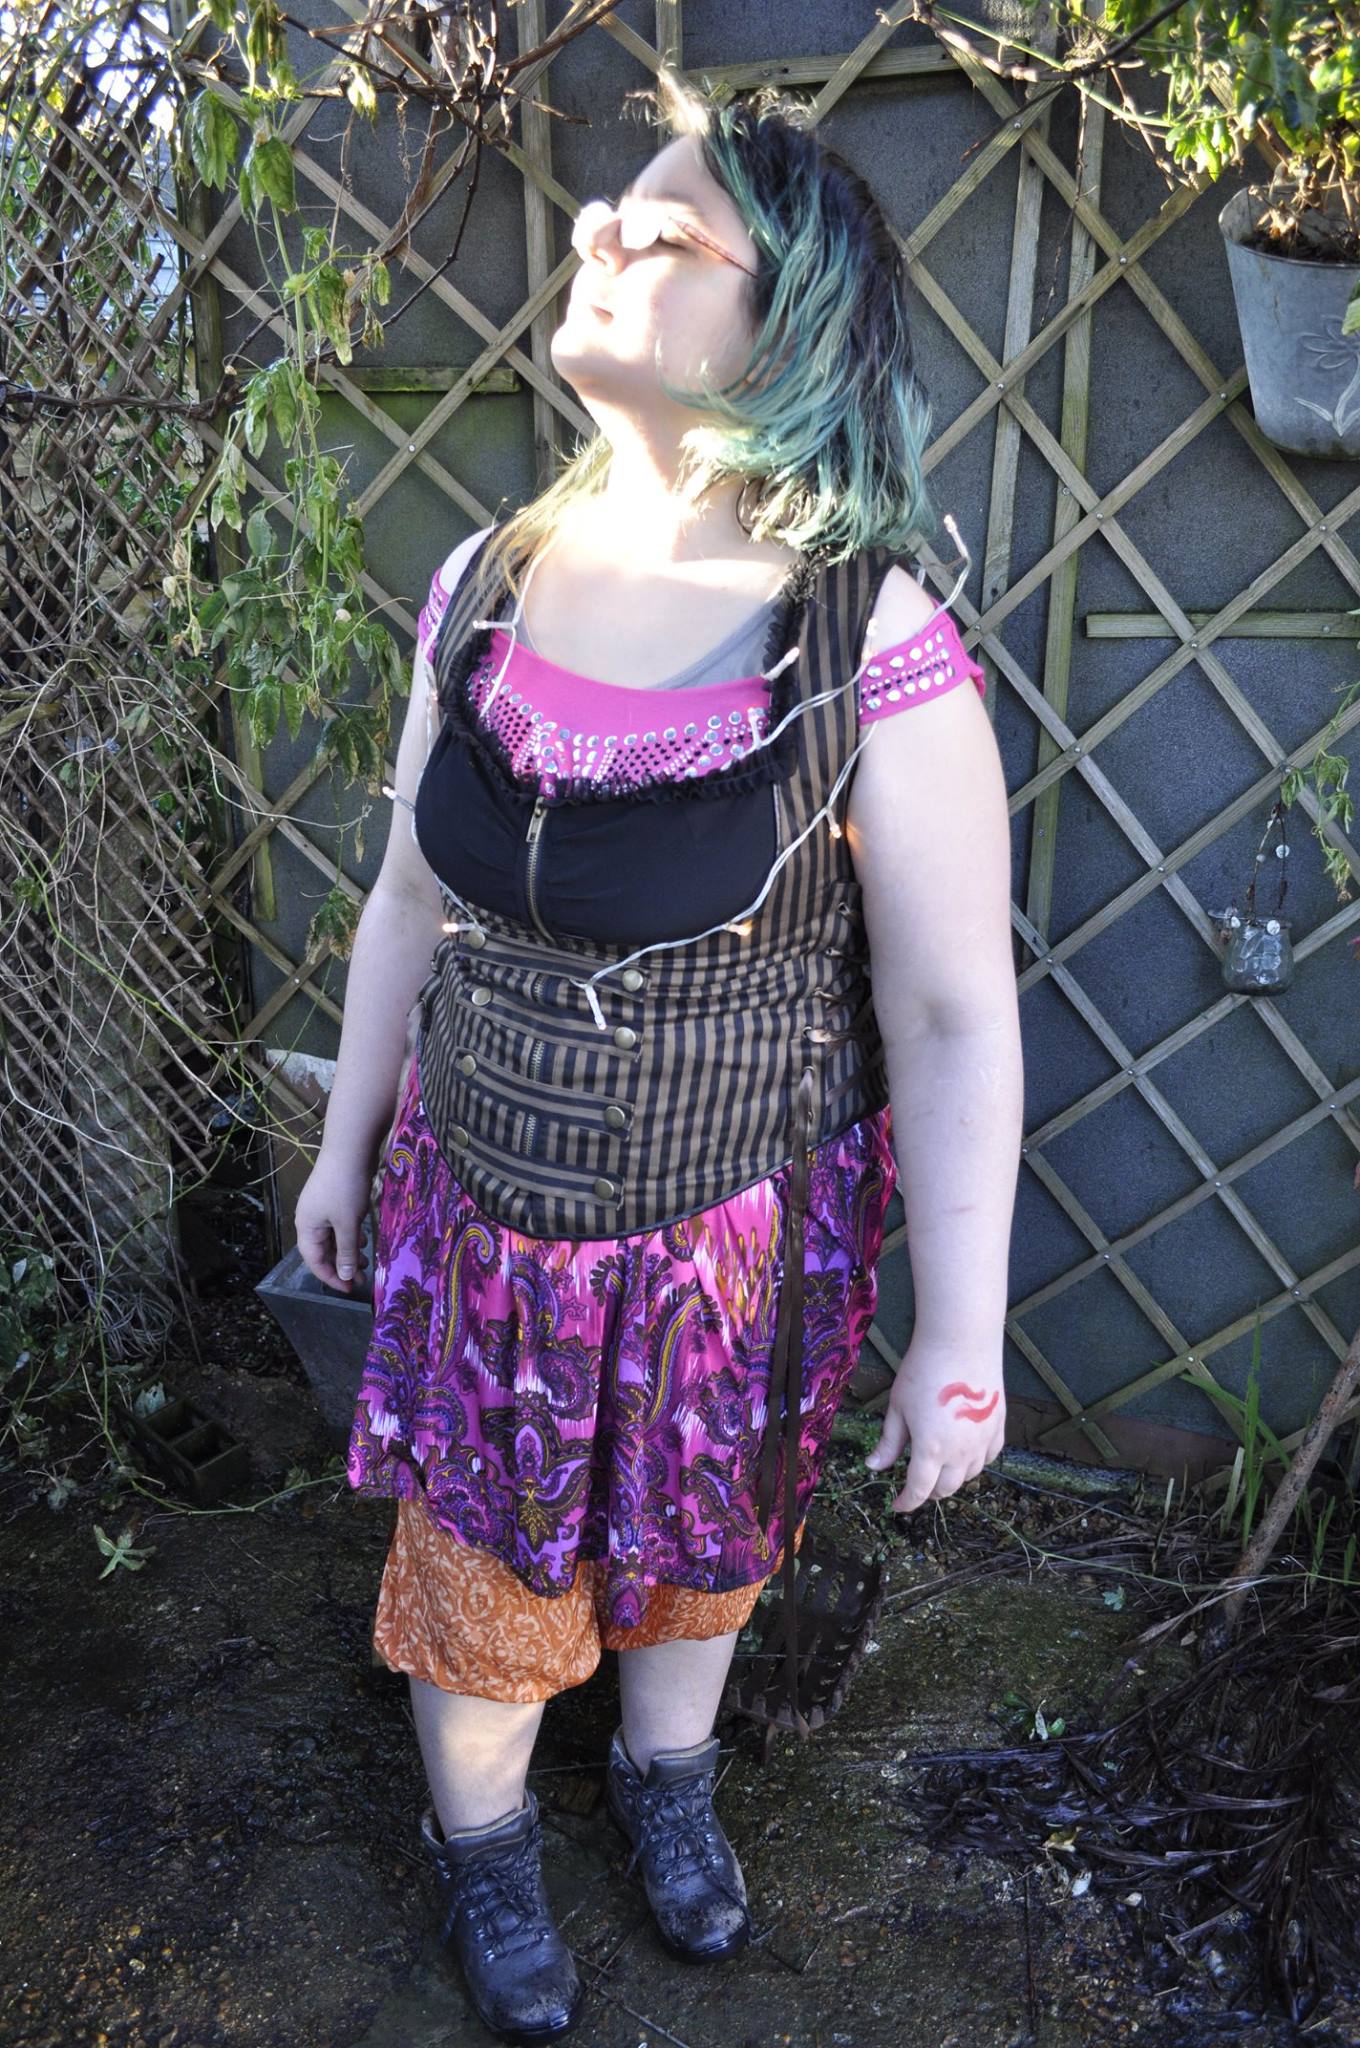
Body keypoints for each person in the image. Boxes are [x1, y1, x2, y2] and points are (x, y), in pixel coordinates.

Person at [295, 66, 1022, 2046]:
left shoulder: (866, 643)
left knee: (702, 1545)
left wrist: (961, 1336)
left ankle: (667, 1772)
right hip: (484, 1224)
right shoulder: (481, 587)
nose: (598, 233)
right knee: (479, 1565)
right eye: (606, 213)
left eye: (663, 228)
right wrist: (346, 1145)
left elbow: (953, 1013)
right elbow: (403, 902)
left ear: (782, 327)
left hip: (725, 1241)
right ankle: (484, 1840)